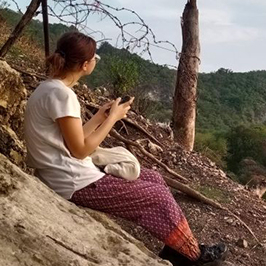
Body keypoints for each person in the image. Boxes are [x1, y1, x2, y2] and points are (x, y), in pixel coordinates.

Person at [23, 31, 226, 265]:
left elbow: (72, 140)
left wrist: (100, 116)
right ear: (86, 64)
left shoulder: (49, 88)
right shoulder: (62, 95)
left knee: (154, 179)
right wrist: (113, 119)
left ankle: (176, 249)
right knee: (158, 196)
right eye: (95, 58)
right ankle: (195, 257)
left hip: (65, 173)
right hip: (71, 181)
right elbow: (79, 150)